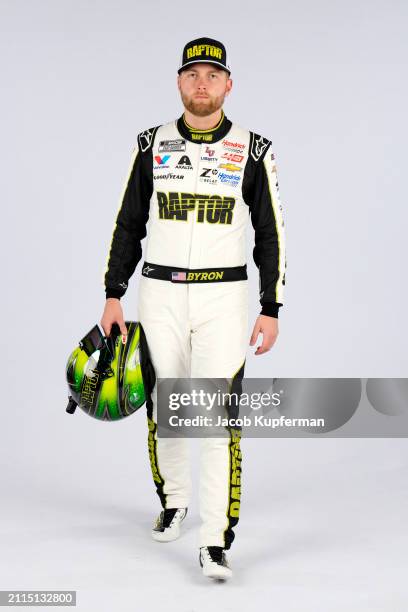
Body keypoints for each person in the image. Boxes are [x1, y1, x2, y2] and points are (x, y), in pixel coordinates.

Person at [100, 36, 286, 581]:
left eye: (212, 75)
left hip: (224, 297)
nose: (201, 84)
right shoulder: (150, 144)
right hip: (159, 293)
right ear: (178, 83)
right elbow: (128, 224)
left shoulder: (253, 150)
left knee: (216, 419)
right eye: (192, 75)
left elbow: (271, 234)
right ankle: (174, 500)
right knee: (167, 407)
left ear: (229, 84)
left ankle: (215, 540)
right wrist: (113, 291)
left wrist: (270, 306)